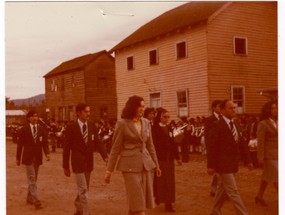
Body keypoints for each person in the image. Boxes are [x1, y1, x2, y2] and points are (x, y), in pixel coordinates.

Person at [104, 95, 161, 215]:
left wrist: (157, 165)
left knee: (135, 204)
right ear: (132, 107)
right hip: (129, 167)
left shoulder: (146, 123)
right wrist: (109, 170)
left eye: (143, 106)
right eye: (139, 106)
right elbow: (115, 148)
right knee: (139, 205)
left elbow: (150, 146)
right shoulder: (122, 124)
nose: (142, 109)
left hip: (146, 166)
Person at [206, 99, 253, 215]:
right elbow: (212, 147)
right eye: (230, 108)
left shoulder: (236, 123)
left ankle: (215, 210)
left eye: (234, 108)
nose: (233, 110)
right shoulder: (216, 125)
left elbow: (242, 143)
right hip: (222, 164)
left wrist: (248, 161)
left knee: (223, 189)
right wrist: (211, 165)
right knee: (233, 191)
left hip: (233, 163)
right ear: (222, 110)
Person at [63, 103, 108, 215]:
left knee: (85, 188)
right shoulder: (71, 127)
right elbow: (67, 148)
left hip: (88, 162)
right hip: (77, 163)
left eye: (89, 111)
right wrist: (65, 166)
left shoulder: (92, 125)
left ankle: (79, 208)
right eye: (86, 111)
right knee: (83, 189)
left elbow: (98, 141)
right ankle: (87, 213)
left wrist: (105, 156)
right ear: (78, 113)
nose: (88, 114)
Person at [16, 110, 50, 209]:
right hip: (28, 158)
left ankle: (29, 197)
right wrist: (18, 158)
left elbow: (44, 143)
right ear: (28, 118)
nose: (35, 118)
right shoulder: (24, 130)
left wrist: (47, 153)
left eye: (36, 116)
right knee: (31, 178)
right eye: (33, 116)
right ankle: (36, 200)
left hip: (37, 158)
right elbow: (20, 145)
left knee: (33, 179)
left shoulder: (41, 129)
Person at [151, 108, 182, 212]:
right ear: (159, 117)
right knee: (160, 181)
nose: (167, 119)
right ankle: (158, 197)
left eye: (168, 117)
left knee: (169, 182)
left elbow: (172, 143)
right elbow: (152, 146)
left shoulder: (169, 128)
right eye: (165, 117)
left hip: (169, 159)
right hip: (159, 159)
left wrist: (177, 157)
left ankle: (168, 203)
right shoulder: (154, 129)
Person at [255, 100, 278, 206]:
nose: (275, 110)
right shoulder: (263, 124)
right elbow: (261, 142)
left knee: (267, 176)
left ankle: (259, 196)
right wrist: (260, 157)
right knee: (277, 176)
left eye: (276, 108)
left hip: (278, 154)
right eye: (273, 108)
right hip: (269, 155)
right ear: (268, 110)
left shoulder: (278, 122)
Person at [204, 100, 221, 197]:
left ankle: (217, 189)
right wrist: (209, 148)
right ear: (214, 108)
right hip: (213, 148)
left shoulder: (223, 118)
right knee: (216, 170)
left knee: (220, 170)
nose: (220, 108)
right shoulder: (210, 119)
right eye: (218, 106)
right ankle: (215, 189)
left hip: (221, 148)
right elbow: (207, 135)